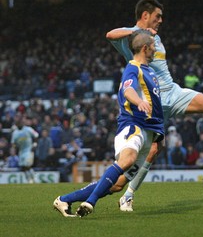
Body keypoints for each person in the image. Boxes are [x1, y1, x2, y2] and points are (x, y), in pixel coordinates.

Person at [106, 0, 203, 210]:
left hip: (172, 91)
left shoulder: (156, 38)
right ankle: (126, 193)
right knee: (152, 151)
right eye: (157, 16)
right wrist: (137, 34)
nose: (161, 20)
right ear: (145, 15)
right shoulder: (132, 37)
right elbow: (110, 35)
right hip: (153, 101)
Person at [53, 29, 164, 217]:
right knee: (126, 160)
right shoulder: (133, 67)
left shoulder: (150, 72)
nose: (156, 49)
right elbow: (128, 91)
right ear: (145, 48)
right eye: (153, 46)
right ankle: (90, 203)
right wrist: (139, 102)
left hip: (149, 133)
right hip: (133, 126)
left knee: (118, 184)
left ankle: (64, 200)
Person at [11, 115, 39, 183]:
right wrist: (14, 148)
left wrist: (34, 144)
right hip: (21, 151)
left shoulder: (28, 129)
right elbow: (13, 143)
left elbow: (36, 135)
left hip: (29, 150)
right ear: (16, 125)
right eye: (18, 123)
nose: (19, 124)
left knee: (27, 165)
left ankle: (34, 179)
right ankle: (29, 179)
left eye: (20, 123)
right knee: (23, 167)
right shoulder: (15, 133)